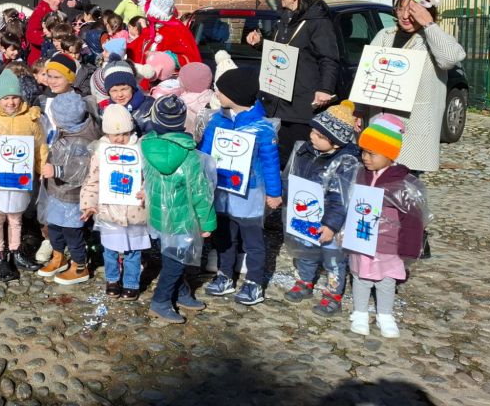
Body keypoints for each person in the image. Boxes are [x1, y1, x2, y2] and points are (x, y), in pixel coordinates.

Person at [199, 67, 282, 307]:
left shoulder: (262, 128)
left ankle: (254, 281)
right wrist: (200, 178)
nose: (216, 94)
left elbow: (270, 162)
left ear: (235, 95)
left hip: (250, 194)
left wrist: (274, 193)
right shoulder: (217, 120)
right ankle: (225, 274)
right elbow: (204, 152)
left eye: (220, 90)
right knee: (224, 237)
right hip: (222, 191)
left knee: (253, 240)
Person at [364, 0, 466, 173]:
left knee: (406, 182)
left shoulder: (432, 39)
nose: (405, 16)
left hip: (413, 127)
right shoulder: (384, 35)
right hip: (381, 125)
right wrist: (359, 109)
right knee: (377, 181)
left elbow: (450, 58)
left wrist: (428, 24)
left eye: (412, 10)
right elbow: (367, 74)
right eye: (400, 9)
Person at [245, 0, 340, 165]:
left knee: (294, 163)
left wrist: (325, 89)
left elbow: (329, 58)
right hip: (276, 102)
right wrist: (260, 44)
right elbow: (281, 52)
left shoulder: (318, 22)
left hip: (299, 107)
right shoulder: (285, 18)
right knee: (274, 161)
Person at [347, 114, 428, 339]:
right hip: (362, 239)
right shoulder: (361, 174)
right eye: (363, 152)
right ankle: (360, 312)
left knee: (386, 280)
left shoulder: (402, 183)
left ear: (389, 154)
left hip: (388, 245)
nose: (365, 158)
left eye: (372, 153)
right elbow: (351, 204)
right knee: (361, 277)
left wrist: (408, 248)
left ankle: (385, 315)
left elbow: (412, 219)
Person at [141, 97, 218, 323]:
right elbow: (200, 193)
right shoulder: (190, 156)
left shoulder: (147, 146)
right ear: (183, 122)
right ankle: (161, 301)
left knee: (175, 258)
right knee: (175, 263)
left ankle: (181, 292)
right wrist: (207, 223)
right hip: (181, 219)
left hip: (158, 216)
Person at [282, 103, 361, 317]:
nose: (312, 137)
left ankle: (333, 294)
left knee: (333, 258)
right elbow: (293, 178)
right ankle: (304, 281)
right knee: (305, 250)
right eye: (313, 131)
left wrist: (331, 225)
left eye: (319, 135)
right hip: (306, 214)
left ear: (335, 142)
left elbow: (340, 198)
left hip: (331, 221)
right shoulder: (305, 151)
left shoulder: (346, 162)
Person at [0, 69, 49, 281]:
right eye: (6, 98)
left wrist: (42, 168)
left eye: (14, 97)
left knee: (16, 215)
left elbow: (40, 146)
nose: (10, 102)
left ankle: (16, 250)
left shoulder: (30, 118)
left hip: (20, 175)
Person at [80, 105, 147, 300]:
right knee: (110, 250)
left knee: (133, 251)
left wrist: (146, 191)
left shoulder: (139, 150)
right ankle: (112, 280)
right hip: (109, 210)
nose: (120, 138)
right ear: (107, 134)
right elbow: (93, 181)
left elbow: (149, 178)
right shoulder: (101, 153)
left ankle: (131, 283)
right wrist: (88, 204)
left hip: (134, 211)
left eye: (125, 134)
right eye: (115, 134)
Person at [37, 92, 100, 285]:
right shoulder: (68, 131)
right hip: (57, 191)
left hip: (72, 196)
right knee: (54, 228)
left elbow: (80, 170)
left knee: (72, 232)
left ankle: (80, 265)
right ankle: (58, 257)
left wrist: (56, 170)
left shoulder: (81, 140)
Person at [26, 0, 65, 64]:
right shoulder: (41, 10)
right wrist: (50, 41)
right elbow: (31, 34)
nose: (58, 1)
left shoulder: (58, 11)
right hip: (40, 59)